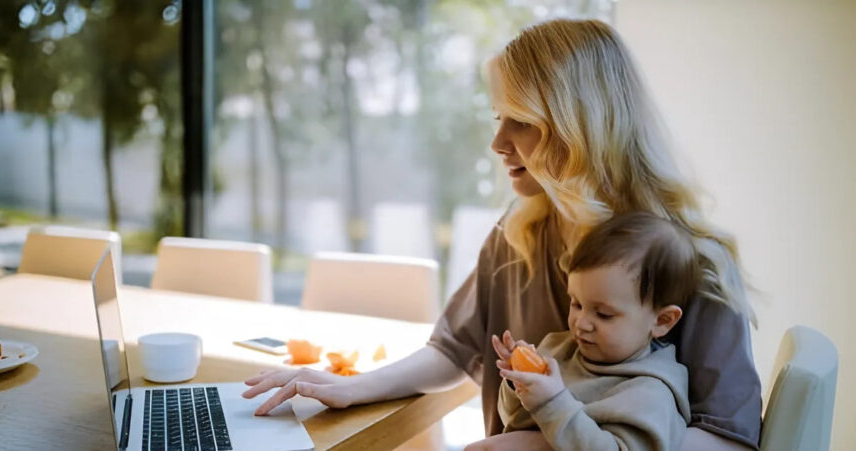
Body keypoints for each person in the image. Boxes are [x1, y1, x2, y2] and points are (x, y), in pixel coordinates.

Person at [242, 19, 762, 450]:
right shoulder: (517, 234)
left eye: (521, 122)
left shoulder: (696, 262)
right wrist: (355, 387)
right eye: (498, 118)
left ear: (578, 126)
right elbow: (454, 350)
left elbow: (729, 439)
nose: (497, 142)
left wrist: (558, 440)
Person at [493, 211, 700, 451]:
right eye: (576, 304)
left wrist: (552, 402)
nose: (581, 323)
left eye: (603, 314)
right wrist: (518, 382)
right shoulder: (557, 351)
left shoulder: (651, 394)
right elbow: (512, 422)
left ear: (662, 321)